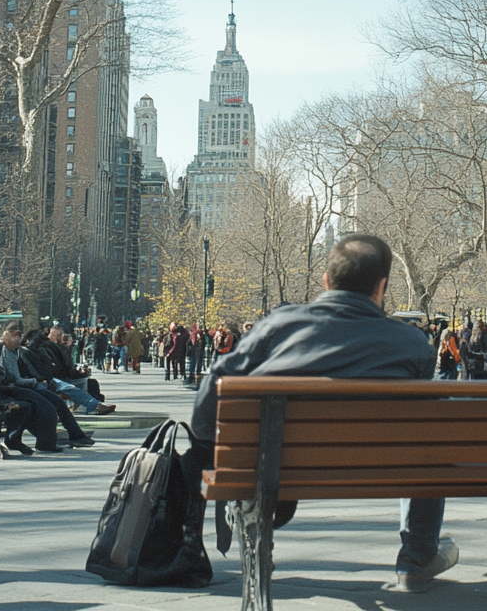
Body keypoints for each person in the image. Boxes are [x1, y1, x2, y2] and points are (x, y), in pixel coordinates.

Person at [186, 233, 458, 593]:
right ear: (382, 287)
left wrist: (206, 436)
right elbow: (425, 422)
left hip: (278, 466)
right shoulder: (411, 344)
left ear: (326, 282)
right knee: (429, 445)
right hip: (386, 467)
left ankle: (257, 540)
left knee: (265, 446)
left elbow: (213, 392)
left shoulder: (279, 326)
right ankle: (417, 557)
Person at [29, 325, 115, 413]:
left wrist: (75, 370)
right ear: (57, 336)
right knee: (69, 387)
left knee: (91, 383)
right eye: (63, 337)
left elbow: (65, 365)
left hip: (58, 375)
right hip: (52, 377)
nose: (64, 340)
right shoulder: (46, 348)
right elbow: (54, 367)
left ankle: (95, 405)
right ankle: (95, 406)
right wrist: (71, 372)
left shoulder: (56, 347)